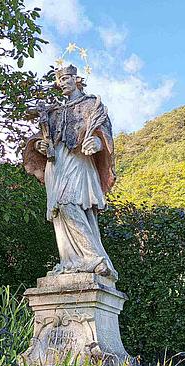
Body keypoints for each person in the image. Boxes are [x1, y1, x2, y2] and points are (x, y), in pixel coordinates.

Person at [23, 64, 118, 280]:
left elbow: (104, 134)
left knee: (70, 203)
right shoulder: (55, 111)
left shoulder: (91, 105)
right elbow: (43, 138)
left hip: (79, 160)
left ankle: (94, 259)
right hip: (56, 165)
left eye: (66, 78)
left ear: (77, 79)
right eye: (60, 80)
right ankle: (71, 260)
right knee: (60, 211)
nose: (62, 83)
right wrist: (41, 146)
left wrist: (97, 142)